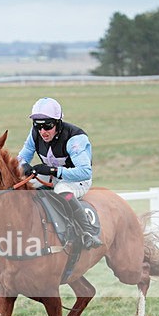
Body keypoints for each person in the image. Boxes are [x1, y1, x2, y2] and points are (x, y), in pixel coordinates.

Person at [17, 97, 103, 249]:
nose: (42, 131)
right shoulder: (35, 134)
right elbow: (21, 158)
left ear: (58, 123)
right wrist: (23, 166)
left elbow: (85, 172)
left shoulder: (74, 138)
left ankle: (87, 232)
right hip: (51, 176)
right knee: (21, 184)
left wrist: (53, 170)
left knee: (61, 190)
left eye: (48, 126)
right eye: (38, 126)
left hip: (76, 181)